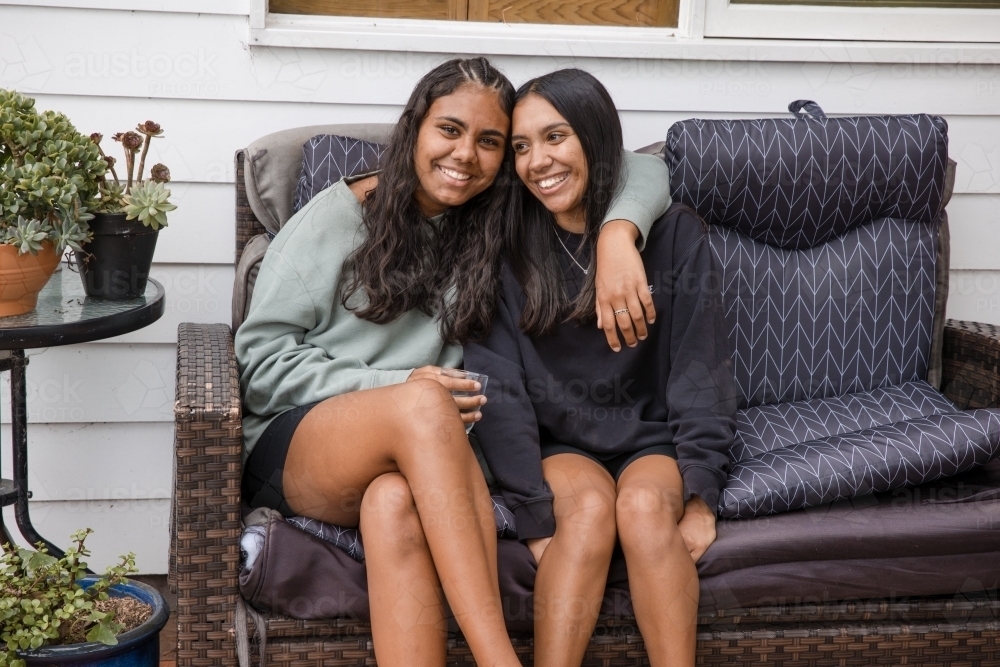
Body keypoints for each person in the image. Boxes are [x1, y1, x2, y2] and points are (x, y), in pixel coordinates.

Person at [235, 58, 672, 667]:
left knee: (392, 503)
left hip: (427, 450)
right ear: (414, 128)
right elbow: (260, 361)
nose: (465, 154)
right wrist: (393, 384)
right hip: (304, 441)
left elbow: (644, 166)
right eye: (450, 130)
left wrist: (618, 234)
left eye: (489, 141)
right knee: (422, 401)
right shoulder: (337, 218)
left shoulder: (499, 219)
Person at [465, 69, 738, 667]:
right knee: (587, 512)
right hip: (562, 446)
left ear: (593, 135)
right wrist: (535, 514)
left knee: (642, 510)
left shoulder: (673, 235)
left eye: (556, 137)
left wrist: (701, 496)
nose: (538, 161)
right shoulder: (504, 243)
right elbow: (499, 386)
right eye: (521, 146)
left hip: (652, 440)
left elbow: (702, 366)